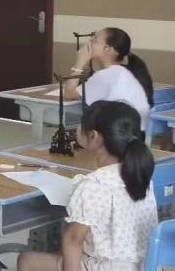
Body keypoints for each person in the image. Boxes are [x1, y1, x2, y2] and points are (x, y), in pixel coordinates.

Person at [17, 100, 158, 271]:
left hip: (107, 268)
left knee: (27, 260)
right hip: (144, 265)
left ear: (93, 136)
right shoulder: (141, 175)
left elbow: (73, 240)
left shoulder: (94, 184)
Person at [64, 28, 154, 131]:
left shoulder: (107, 76)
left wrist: (79, 62)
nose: (89, 43)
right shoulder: (121, 71)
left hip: (123, 133)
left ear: (108, 49)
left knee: (82, 127)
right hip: (136, 132)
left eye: (95, 40)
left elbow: (69, 94)